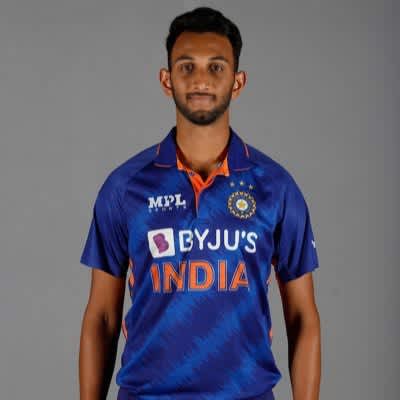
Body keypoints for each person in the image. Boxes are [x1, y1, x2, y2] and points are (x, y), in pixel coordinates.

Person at [79, 6, 321, 400]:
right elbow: (102, 317)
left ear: (237, 82)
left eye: (216, 67)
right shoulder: (125, 187)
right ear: (167, 80)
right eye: (187, 66)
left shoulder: (276, 187)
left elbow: (302, 317)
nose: (201, 80)